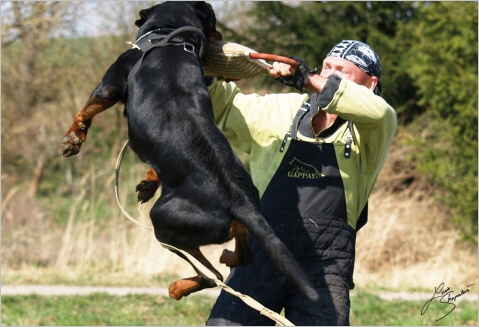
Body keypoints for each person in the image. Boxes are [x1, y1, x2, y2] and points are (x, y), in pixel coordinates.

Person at [205, 40, 397, 326]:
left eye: (342, 71)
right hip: (262, 255)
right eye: (327, 67)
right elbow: (228, 107)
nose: (331, 74)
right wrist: (201, 69)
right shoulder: (283, 109)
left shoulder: (374, 128)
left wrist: (307, 79)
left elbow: (378, 112)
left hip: (325, 266)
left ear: (370, 84)